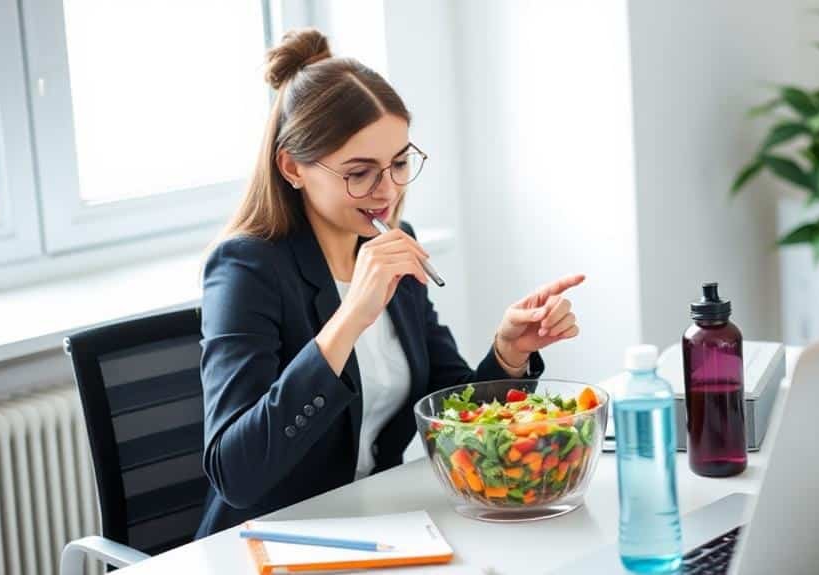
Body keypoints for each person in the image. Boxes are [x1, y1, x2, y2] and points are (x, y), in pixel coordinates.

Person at [196, 28, 584, 537]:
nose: (388, 192)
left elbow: (452, 419)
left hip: (375, 525)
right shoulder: (246, 268)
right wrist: (351, 316)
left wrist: (509, 353)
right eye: (360, 173)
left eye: (400, 163)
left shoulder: (396, 246)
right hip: (269, 539)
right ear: (293, 167)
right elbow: (236, 473)